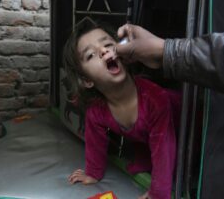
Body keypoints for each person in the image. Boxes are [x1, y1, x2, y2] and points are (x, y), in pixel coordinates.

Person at [63, 17, 181, 199]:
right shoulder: (97, 111)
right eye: (90, 55)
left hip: (190, 127)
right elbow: (95, 142)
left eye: (108, 44)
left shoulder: (156, 99)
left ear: (123, 54)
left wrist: (158, 194)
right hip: (153, 136)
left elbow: (164, 147)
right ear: (87, 80)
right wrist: (93, 173)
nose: (103, 51)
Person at [116, 24, 224, 102]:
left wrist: (166, 51)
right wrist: (165, 51)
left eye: (108, 44)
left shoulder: (151, 97)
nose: (104, 51)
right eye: (92, 54)